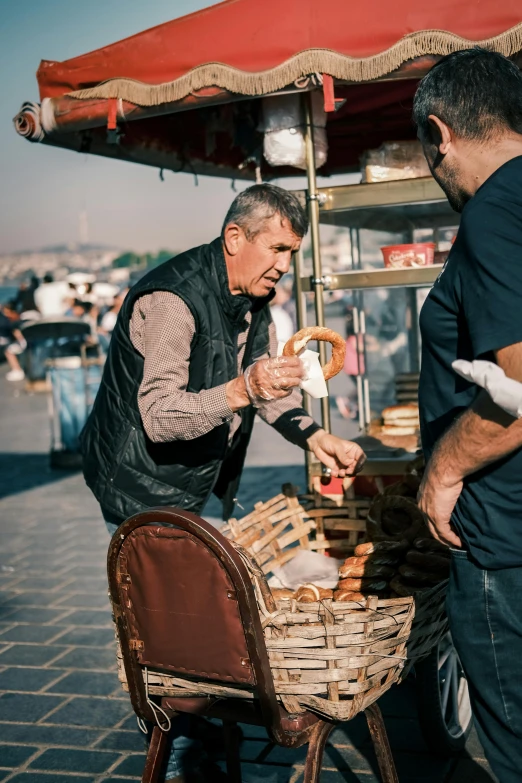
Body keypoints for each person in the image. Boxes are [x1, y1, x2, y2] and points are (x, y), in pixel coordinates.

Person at [81, 184, 365, 783]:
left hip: (193, 477)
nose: (285, 266)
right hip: (136, 478)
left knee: (195, 613)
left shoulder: (252, 297)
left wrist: (315, 437)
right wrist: (244, 388)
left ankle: (192, 717)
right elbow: (160, 414)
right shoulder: (173, 302)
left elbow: (262, 392)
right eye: (279, 250)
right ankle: (177, 741)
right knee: (168, 617)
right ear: (235, 238)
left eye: (293, 253)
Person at [414, 48, 522, 783]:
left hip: (502, 540)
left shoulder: (493, 213)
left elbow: (519, 385)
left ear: (439, 131)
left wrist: (444, 469)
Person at [0, 301, 27, 381]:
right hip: (19, 342)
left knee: (9, 351)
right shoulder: (11, 321)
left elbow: (17, 334)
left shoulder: (11, 322)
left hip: (19, 343)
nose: (6, 314)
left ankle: (17, 370)